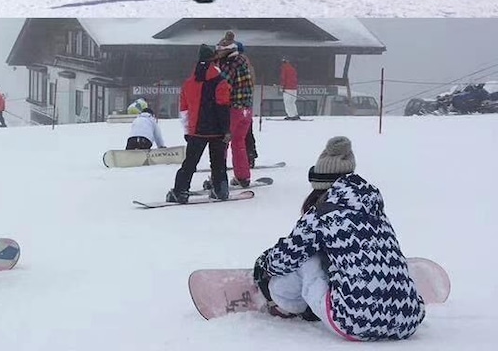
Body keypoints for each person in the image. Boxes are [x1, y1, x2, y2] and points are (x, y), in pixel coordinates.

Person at [252, 137, 425, 340]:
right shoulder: (374, 209)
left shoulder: (323, 214)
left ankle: (287, 305)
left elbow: (287, 256)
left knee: (306, 259)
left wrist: (264, 265)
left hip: (355, 321)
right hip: (408, 318)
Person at [166, 45, 232, 204]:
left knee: (189, 163)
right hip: (217, 130)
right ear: (214, 60)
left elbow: (184, 110)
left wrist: (188, 130)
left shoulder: (189, 83)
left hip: (196, 130)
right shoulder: (220, 81)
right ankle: (220, 189)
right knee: (218, 163)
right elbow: (223, 107)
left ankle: (180, 191)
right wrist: (226, 131)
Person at [217, 41, 254, 188]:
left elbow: (222, 83)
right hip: (247, 109)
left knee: (222, 143)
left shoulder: (230, 64)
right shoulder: (245, 63)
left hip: (233, 109)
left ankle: (219, 178)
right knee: (239, 143)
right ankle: (243, 176)